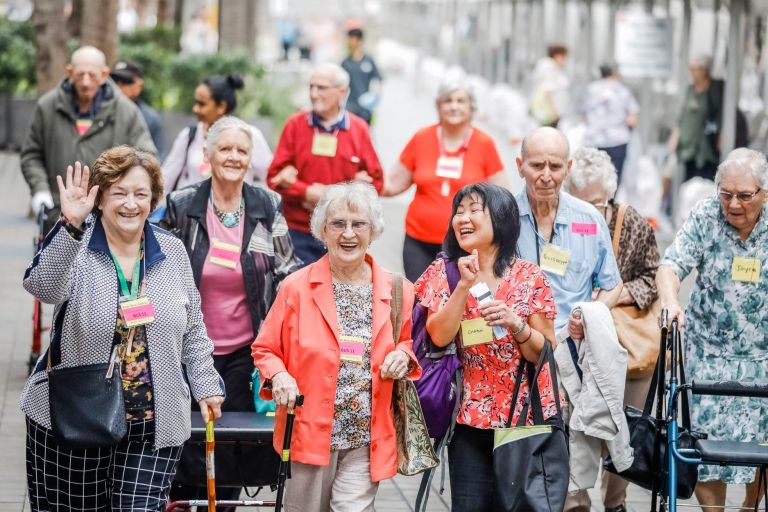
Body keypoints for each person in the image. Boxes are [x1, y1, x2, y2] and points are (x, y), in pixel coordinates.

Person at [21, 146, 224, 511]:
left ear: (153, 200)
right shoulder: (77, 245)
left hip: (154, 420)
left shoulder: (172, 251)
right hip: (78, 415)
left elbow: (193, 327)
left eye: (141, 194)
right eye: (119, 193)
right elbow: (42, 286)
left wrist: (206, 384)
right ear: (99, 199)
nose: (131, 204)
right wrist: (69, 225)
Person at [252, 182, 421, 512]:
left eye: (358, 224)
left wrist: (402, 355)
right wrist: (281, 377)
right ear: (322, 231)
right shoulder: (296, 288)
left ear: (372, 231)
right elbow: (266, 349)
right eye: (338, 224)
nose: (348, 234)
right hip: (308, 430)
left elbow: (405, 342)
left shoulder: (399, 289)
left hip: (366, 435)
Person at [162, 116, 301, 510]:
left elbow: (286, 268)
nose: (234, 157)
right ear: (207, 155)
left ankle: (223, 506)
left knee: (232, 441)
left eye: (242, 150)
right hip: (188, 349)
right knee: (185, 441)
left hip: (245, 348)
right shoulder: (184, 204)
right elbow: (163, 269)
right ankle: (184, 504)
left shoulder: (265, 204)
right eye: (225, 149)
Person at [414, 182, 557, 510]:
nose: (462, 218)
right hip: (469, 419)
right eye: (458, 211)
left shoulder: (530, 277)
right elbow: (439, 335)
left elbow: (545, 351)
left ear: (502, 219)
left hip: (524, 420)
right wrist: (464, 286)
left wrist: (515, 323)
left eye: (474, 210)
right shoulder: (445, 271)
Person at [657, 148, 768, 512]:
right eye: (726, 193)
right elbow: (671, 265)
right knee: (707, 450)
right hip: (708, 353)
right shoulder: (707, 215)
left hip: (761, 357)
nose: (733, 204)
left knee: (760, 449)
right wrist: (671, 301)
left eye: (744, 196)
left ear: (764, 193)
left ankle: (750, 507)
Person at [564, 147, 660, 512]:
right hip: (573, 340)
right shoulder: (560, 222)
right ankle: (576, 500)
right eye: (582, 200)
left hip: (622, 342)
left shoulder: (630, 221)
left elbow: (652, 276)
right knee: (577, 424)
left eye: (599, 202)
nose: (593, 210)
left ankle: (615, 501)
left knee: (624, 425)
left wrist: (611, 299)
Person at [20, 46, 156, 233]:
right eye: (80, 74)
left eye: (92, 75)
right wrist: (40, 190)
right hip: (58, 213)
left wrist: (123, 195)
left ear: (104, 74)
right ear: (69, 72)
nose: (85, 82)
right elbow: (31, 155)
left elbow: (147, 158)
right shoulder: (48, 106)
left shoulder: (126, 111)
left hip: (107, 218)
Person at [383, 78, 507, 282]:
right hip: (419, 242)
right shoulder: (421, 138)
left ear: (471, 107)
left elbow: (502, 198)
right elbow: (393, 184)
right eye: (448, 101)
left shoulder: (484, 144)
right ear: (438, 105)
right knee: (420, 303)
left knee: (460, 306)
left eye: (460, 101)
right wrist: (362, 177)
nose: (454, 106)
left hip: (467, 247)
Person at [267, 63, 383, 266]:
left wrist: (341, 193)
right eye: (311, 87)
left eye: (321, 88)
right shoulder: (295, 125)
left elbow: (377, 182)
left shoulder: (359, 129)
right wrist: (307, 192)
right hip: (298, 231)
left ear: (342, 92)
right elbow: (274, 178)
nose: (313, 94)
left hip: (343, 235)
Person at [515, 127, 623, 336]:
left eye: (555, 167)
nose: (546, 176)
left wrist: (590, 316)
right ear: (520, 167)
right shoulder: (502, 217)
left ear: (568, 168)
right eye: (537, 166)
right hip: (518, 346)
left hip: (572, 346)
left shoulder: (590, 218)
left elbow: (612, 284)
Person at [162, 75, 272, 192]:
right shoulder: (189, 136)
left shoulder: (251, 136)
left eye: (202, 104)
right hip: (194, 210)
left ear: (221, 106)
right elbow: (166, 178)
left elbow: (271, 176)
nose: (195, 109)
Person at [667, 55, 723, 184]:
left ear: (704, 71)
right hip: (689, 145)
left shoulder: (716, 89)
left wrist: (722, 135)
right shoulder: (690, 90)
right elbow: (682, 116)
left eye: (695, 69)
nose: (691, 72)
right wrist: (675, 137)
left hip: (708, 145)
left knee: (707, 181)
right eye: (690, 69)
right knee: (689, 182)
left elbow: (721, 114)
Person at [581, 64, 639, 185]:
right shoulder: (622, 90)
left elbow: (584, 115)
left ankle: (595, 202)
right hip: (618, 140)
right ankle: (611, 201)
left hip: (594, 140)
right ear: (614, 74)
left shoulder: (591, 89)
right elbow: (632, 118)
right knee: (615, 177)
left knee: (594, 177)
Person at [111, 60, 165, 158]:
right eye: (115, 81)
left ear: (139, 85)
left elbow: (157, 158)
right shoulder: (103, 111)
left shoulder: (150, 118)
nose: (119, 86)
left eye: (126, 81)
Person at [341, 28, 382, 125]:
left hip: (365, 109)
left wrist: (375, 97)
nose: (348, 42)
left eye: (351, 39)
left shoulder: (369, 60)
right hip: (349, 107)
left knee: (365, 134)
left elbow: (379, 80)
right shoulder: (345, 63)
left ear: (358, 41)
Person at [530, 44, 570, 128]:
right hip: (548, 113)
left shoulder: (548, 67)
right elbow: (548, 90)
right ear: (557, 55)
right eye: (563, 57)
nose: (564, 60)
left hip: (546, 112)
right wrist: (555, 112)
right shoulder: (550, 68)